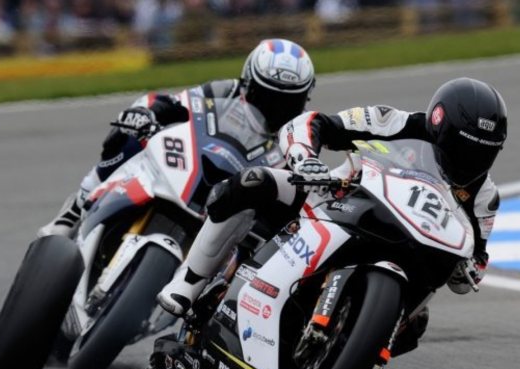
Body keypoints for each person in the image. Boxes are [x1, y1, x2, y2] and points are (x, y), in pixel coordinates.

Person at [157, 77, 507, 352]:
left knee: (415, 326)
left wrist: (469, 269)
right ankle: (188, 283)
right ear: (437, 125)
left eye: (482, 153)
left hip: (410, 251)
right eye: (463, 147)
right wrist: (305, 157)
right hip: (336, 198)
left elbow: (476, 258)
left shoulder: (485, 197)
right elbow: (314, 123)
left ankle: (347, 352)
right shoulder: (394, 122)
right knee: (252, 183)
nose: (470, 160)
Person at [38, 38, 315, 237]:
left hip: (227, 210)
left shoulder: (296, 137)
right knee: (126, 134)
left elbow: (293, 199)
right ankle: (77, 206)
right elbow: (169, 103)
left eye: (287, 102)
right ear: (247, 83)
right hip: (190, 167)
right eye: (268, 97)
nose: (275, 109)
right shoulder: (225, 91)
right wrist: (143, 114)